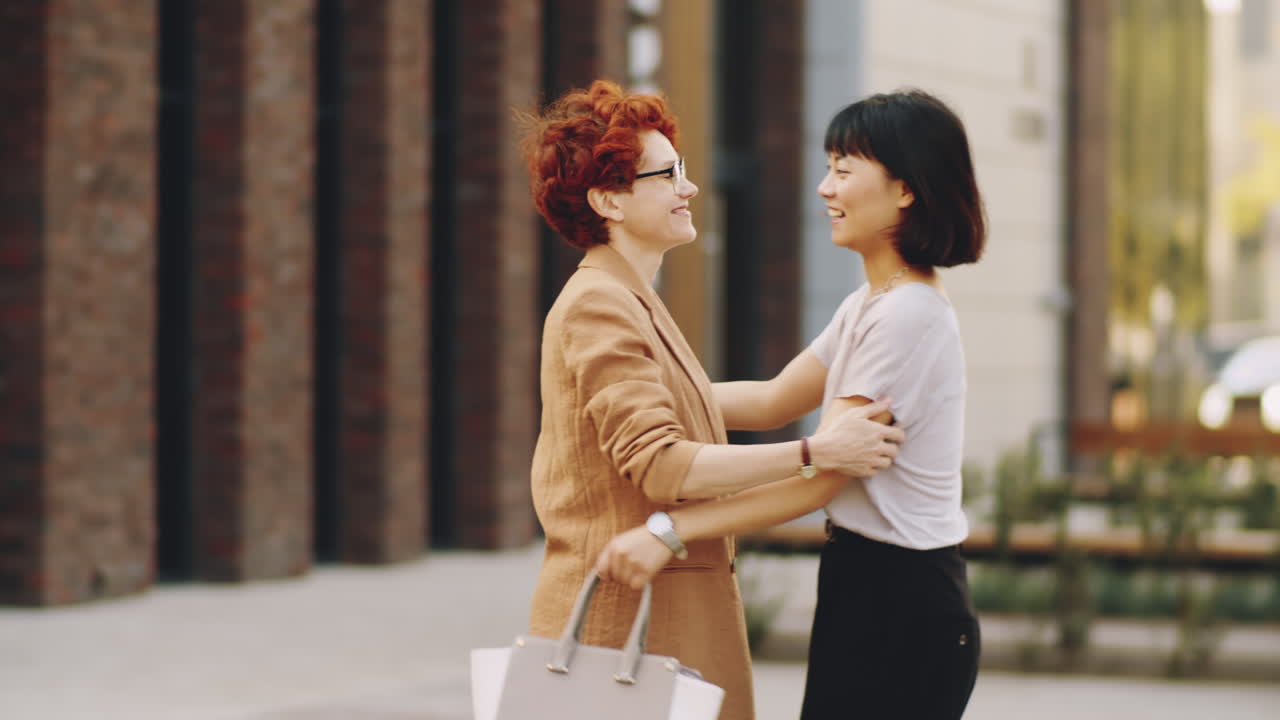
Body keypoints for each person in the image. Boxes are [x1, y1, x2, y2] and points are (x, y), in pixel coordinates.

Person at [518, 80, 906, 720]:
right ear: (608, 199)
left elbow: (736, 401)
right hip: (628, 626)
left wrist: (867, 322)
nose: (689, 187)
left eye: (685, 169)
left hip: (661, 615)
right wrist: (817, 451)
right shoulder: (599, 304)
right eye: (667, 174)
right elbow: (665, 465)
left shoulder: (630, 297)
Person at [596, 89, 987, 719]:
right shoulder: (872, 303)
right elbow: (774, 399)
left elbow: (820, 479)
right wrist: (627, 398)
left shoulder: (908, 314)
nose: (824, 189)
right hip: (869, 588)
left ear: (905, 189)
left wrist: (670, 531)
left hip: (905, 601)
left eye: (842, 170)